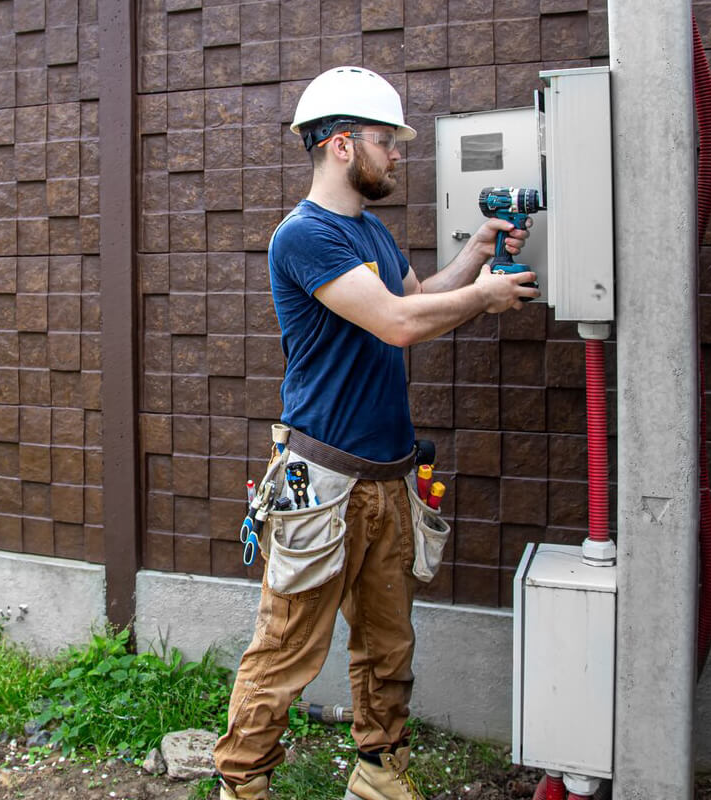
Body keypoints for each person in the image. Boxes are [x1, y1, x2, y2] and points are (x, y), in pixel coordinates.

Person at [211, 66, 538, 800]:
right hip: (322, 483)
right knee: (288, 648)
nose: (396, 155)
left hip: (388, 478)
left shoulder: (371, 232)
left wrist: (476, 255)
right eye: (385, 141)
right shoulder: (304, 237)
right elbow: (395, 325)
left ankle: (379, 774)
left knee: (388, 645)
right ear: (338, 145)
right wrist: (484, 300)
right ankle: (241, 785)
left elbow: (415, 297)